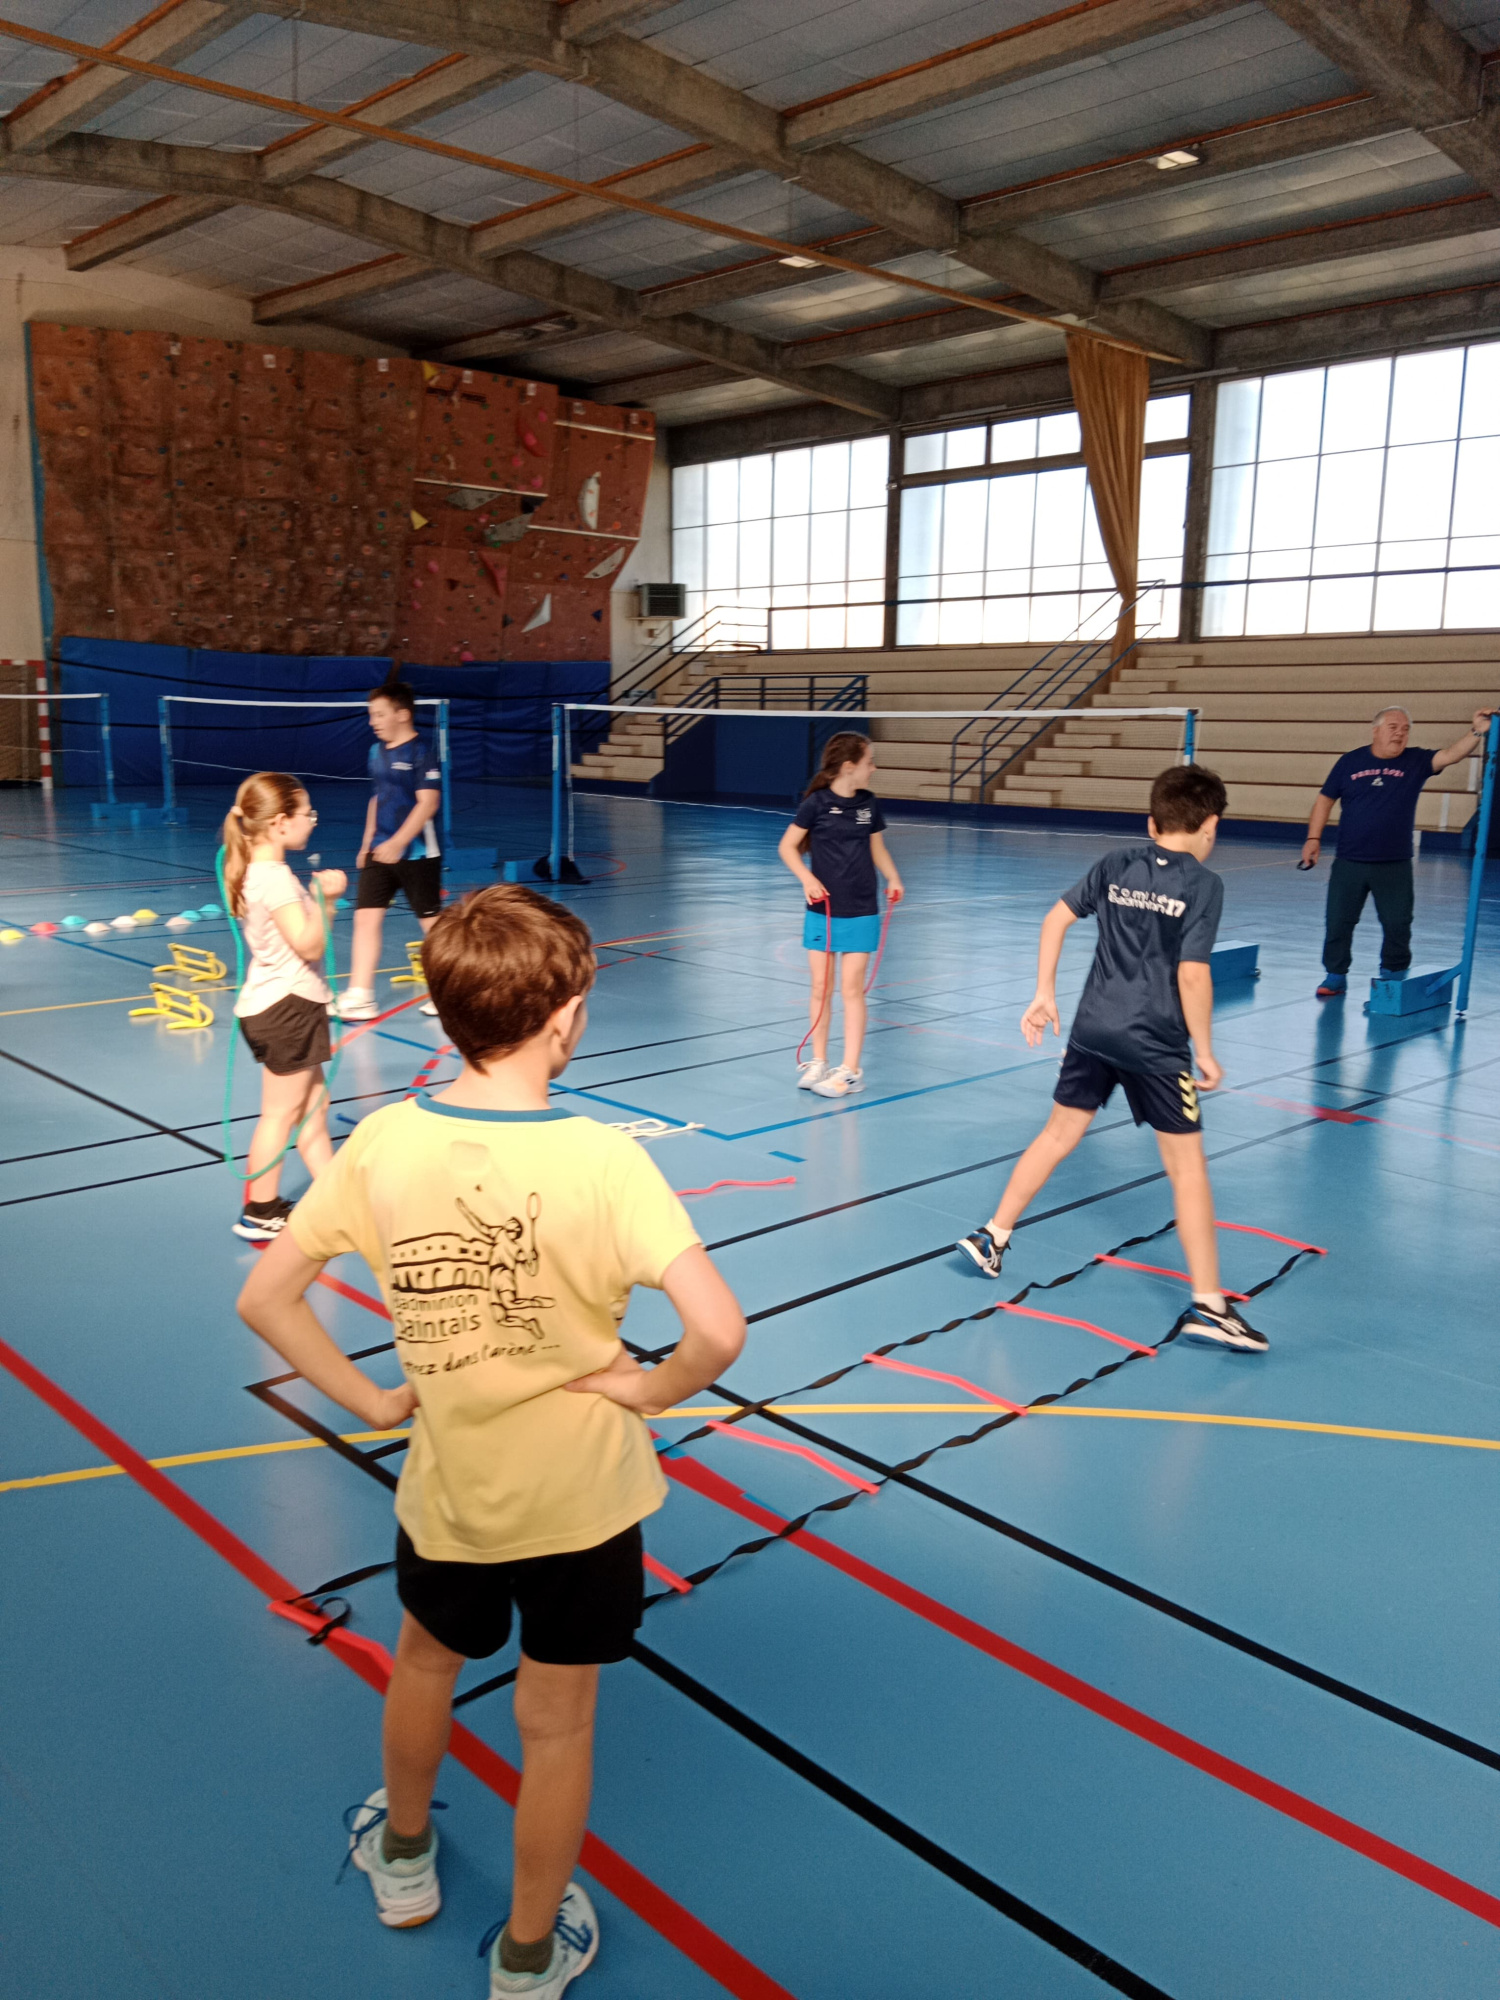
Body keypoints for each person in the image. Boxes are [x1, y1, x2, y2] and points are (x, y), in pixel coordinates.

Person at [237, 883, 746, 1999]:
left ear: (445, 1009)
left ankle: (403, 1854)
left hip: (454, 1491)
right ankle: (525, 1954)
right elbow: (718, 1331)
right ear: (566, 1015)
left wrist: (375, 1404)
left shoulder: (383, 1140)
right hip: (586, 1503)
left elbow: (266, 1297)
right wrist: (647, 1390)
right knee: (556, 1726)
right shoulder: (607, 1159)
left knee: (426, 1662)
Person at [957, 764, 1267, 1354]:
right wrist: (1204, 1050)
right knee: (1187, 1170)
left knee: (1057, 1135)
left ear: (1152, 823)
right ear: (1211, 825)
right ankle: (1210, 1305)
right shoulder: (1204, 885)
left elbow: (1055, 919)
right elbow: (1193, 974)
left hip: (1093, 1029)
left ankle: (992, 1236)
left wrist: (1043, 993)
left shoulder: (1115, 863)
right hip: (1156, 1044)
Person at [222, 771, 346, 1242]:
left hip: (279, 1004)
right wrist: (326, 902)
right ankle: (260, 1210)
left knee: (314, 1106)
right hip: (287, 1009)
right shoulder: (273, 879)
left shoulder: (256, 870)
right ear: (279, 823)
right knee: (279, 1113)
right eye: (306, 813)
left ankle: (335, 1196)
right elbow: (309, 945)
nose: (312, 820)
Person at [1302, 704, 1493, 999]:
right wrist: (1313, 838)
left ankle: (1393, 975)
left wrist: (1477, 732)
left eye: (1405, 729)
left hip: (1394, 864)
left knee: (1398, 923)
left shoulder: (1415, 761)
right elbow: (1325, 800)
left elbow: (1451, 755)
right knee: (1338, 921)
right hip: (1350, 861)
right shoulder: (1349, 762)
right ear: (1375, 730)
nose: (1399, 734)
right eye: (1393, 727)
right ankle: (1335, 975)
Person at [776, 731, 903, 1099]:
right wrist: (806, 878)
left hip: (861, 909)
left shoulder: (869, 804)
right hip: (822, 910)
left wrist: (893, 877)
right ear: (849, 767)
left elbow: (877, 849)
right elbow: (787, 847)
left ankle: (850, 1071)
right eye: (869, 762)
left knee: (851, 990)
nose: (873, 768)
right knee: (820, 987)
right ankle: (818, 1061)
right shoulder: (815, 804)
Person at [335, 677, 443, 1022]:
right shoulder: (375, 752)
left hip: (417, 854)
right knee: (365, 918)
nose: (373, 722)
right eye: (371, 715)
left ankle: (447, 994)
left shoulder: (423, 753)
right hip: (380, 850)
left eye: (379, 714)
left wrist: (398, 843)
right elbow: (378, 797)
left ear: (402, 714)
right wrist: (367, 843)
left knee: (432, 925)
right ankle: (360, 995)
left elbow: (428, 803)